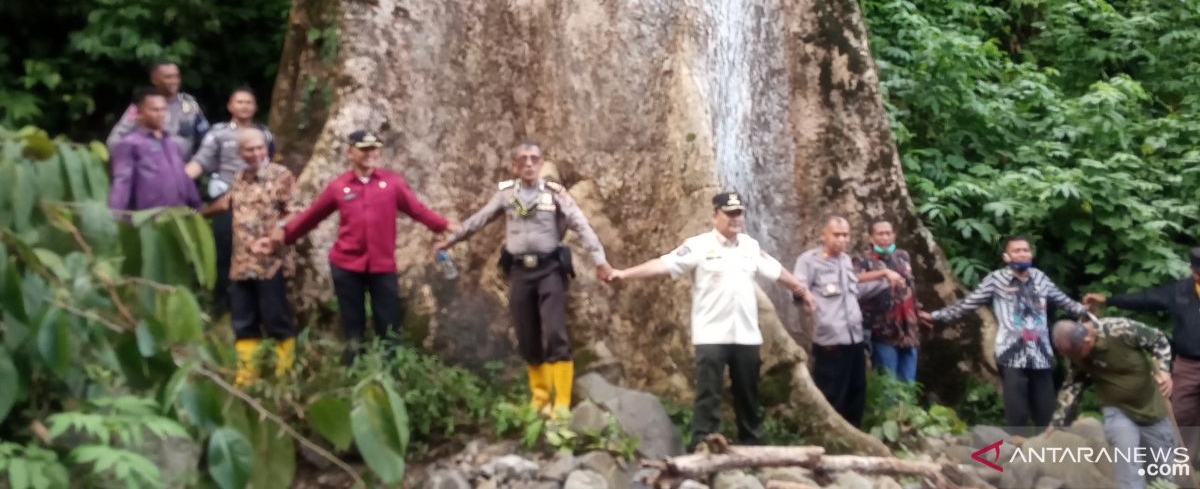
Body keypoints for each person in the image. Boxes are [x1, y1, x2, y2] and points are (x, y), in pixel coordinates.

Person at [610, 191, 817, 450]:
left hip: (746, 334)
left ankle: (752, 445)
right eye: (729, 213)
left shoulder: (750, 246)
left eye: (739, 213)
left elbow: (777, 271)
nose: (736, 218)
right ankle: (702, 442)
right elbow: (663, 264)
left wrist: (801, 290)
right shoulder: (698, 245)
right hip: (711, 334)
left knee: (748, 393)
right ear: (714, 215)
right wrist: (624, 274)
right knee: (708, 393)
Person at [439, 141, 613, 415]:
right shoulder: (507, 196)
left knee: (555, 332)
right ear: (514, 166)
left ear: (541, 163)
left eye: (534, 159)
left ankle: (562, 403)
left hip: (549, 270)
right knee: (526, 334)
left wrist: (600, 261)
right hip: (520, 272)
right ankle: (540, 398)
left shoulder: (556, 195)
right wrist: (449, 241)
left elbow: (581, 224)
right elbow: (479, 219)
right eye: (523, 159)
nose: (529, 164)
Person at [259, 130, 452, 363]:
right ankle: (353, 370)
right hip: (347, 265)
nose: (371, 154)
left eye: (374, 149)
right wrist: (282, 235)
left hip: (382, 265)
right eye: (364, 149)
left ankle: (390, 374)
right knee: (353, 323)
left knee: (388, 322)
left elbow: (417, 210)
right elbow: (312, 216)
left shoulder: (392, 183)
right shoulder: (339, 187)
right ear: (350, 152)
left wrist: (444, 226)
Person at [919, 235, 1087, 430]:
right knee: (1017, 411)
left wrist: (1088, 312)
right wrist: (935, 316)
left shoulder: (1040, 278)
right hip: (1011, 354)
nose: (1022, 254)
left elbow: (1065, 302)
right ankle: (1017, 453)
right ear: (1006, 256)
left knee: (1046, 409)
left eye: (1025, 250)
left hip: (1040, 354)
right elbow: (967, 305)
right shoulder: (996, 280)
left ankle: (1046, 453)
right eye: (1017, 250)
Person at [1084, 247, 1200, 465]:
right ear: (1193, 271)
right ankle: (1182, 467)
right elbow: (1145, 298)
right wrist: (1109, 300)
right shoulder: (1180, 290)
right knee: (1183, 416)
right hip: (1188, 364)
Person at [1050, 318, 1180, 489]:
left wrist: (1163, 369)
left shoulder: (1119, 329)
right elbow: (1073, 386)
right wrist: (1058, 423)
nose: (1074, 359)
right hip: (1118, 410)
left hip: (1151, 408)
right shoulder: (1076, 353)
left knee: (1162, 471)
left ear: (1087, 339)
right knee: (1127, 460)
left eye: (1077, 353)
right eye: (1069, 355)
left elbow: (1157, 338)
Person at [186, 87, 276, 313]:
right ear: (230, 106)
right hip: (225, 200)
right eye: (239, 102)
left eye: (249, 102)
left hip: (259, 202)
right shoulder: (218, 133)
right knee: (225, 250)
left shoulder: (264, 134)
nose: (244, 106)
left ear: (255, 107)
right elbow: (201, 161)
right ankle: (220, 305)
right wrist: (178, 181)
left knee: (259, 251)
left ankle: (253, 305)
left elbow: (271, 165)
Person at [794, 214, 888, 428]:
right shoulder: (809, 260)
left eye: (846, 235)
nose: (842, 239)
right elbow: (798, 288)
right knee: (831, 392)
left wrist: (883, 283)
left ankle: (854, 435)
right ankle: (828, 437)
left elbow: (854, 292)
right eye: (837, 234)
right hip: (830, 340)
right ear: (823, 235)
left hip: (854, 339)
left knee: (857, 391)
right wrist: (804, 296)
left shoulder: (846, 260)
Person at [227, 129, 298, 386]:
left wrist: (275, 233)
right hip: (241, 263)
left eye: (260, 148)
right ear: (240, 153)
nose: (256, 153)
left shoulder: (281, 176)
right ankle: (246, 376)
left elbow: (296, 213)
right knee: (243, 320)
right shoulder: (239, 177)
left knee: (276, 318)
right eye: (249, 149)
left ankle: (283, 376)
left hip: (270, 262)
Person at [108, 87, 202, 214]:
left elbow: (183, 177)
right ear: (140, 112)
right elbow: (122, 184)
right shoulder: (130, 144)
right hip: (149, 217)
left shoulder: (172, 143)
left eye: (163, 109)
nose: (160, 114)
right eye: (155, 110)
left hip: (179, 215)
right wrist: (114, 216)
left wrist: (198, 207)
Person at [854, 219, 921, 383]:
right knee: (887, 384)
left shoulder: (902, 256)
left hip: (909, 329)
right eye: (880, 234)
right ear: (871, 238)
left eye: (888, 233)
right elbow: (853, 279)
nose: (884, 237)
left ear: (894, 236)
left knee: (908, 383)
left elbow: (909, 287)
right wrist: (883, 272)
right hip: (882, 330)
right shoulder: (863, 260)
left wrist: (919, 311)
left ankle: (906, 410)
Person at [107, 60, 209, 159]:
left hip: (185, 170)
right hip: (149, 169)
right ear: (154, 79)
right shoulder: (142, 105)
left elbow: (207, 138)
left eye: (176, 76)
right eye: (168, 77)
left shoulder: (189, 104)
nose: (174, 81)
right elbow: (115, 140)